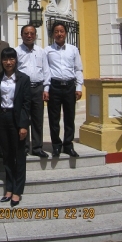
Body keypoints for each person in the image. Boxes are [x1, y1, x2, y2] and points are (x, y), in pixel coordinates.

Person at [0, 48, 31, 207]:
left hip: (17, 120)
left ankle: (17, 190)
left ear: (16, 61)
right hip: (2, 118)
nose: (8, 62)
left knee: (19, 155)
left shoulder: (23, 79)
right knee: (7, 155)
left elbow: (26, 104)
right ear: (2, 61)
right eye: (5, 59)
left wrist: (23, 125)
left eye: (11, 59)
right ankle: (9, 188)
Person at [45, 21, 84, 158]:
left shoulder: (73, 49)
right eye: (56, 31)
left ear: (66, 33)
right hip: (54, 86)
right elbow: (46, 71)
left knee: (69, 118)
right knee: (53, 118)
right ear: (53, 34)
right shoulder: (47, 50)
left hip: (69, 87)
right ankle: (56, 145)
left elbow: (78, 69)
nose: (59, 34)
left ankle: (68, 145)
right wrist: (46, 89)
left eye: (62, 31)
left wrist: (79, 87)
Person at [15, 25, 51, 158]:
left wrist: (46, 88)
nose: (29, 36)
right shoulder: (16, 51)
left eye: (31, 33)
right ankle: (24, 147)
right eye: (26, 33)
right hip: (23, 90)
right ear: (21, 35)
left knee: (37, 118)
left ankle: (37, 147)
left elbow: (46, 71)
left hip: (38, 88)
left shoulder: (41, 52)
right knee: (24, 118)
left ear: (35, 35)